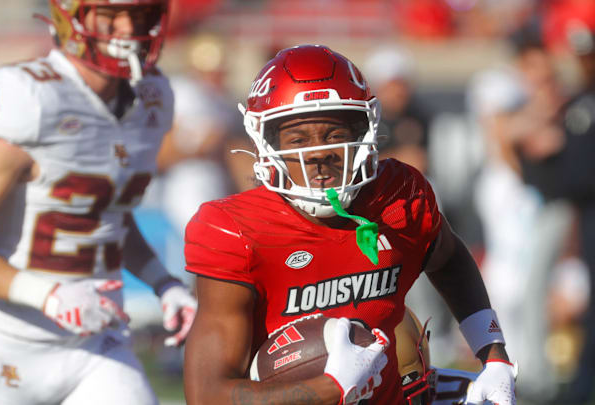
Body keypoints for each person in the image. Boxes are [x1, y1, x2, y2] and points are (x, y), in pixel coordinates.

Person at [182, 45, 516, 405]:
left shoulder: (398, 196)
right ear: (265, 144)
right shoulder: (232, 229)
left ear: (365, 132)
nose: (319, 154)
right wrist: (329, 389)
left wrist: (492, 353)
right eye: (297, 139)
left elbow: (449, 259)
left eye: (334, 135)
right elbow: (207, 395)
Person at [0, 1, 196, 404]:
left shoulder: (152, 98)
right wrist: (49, 295)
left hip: (96, 348)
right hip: (5, 348)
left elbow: (107, 217)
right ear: (71, 15)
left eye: (141, 13)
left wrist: (165, 283)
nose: (129, 27)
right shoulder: (30, 97)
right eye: (110, 13)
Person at [514, 23, 595, 404]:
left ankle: (550, 376)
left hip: (569, 209)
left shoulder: (574, 102)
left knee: (541, 291)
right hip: (554, 207)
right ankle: (547, 373)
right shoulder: (567, 102)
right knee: (523, 290)